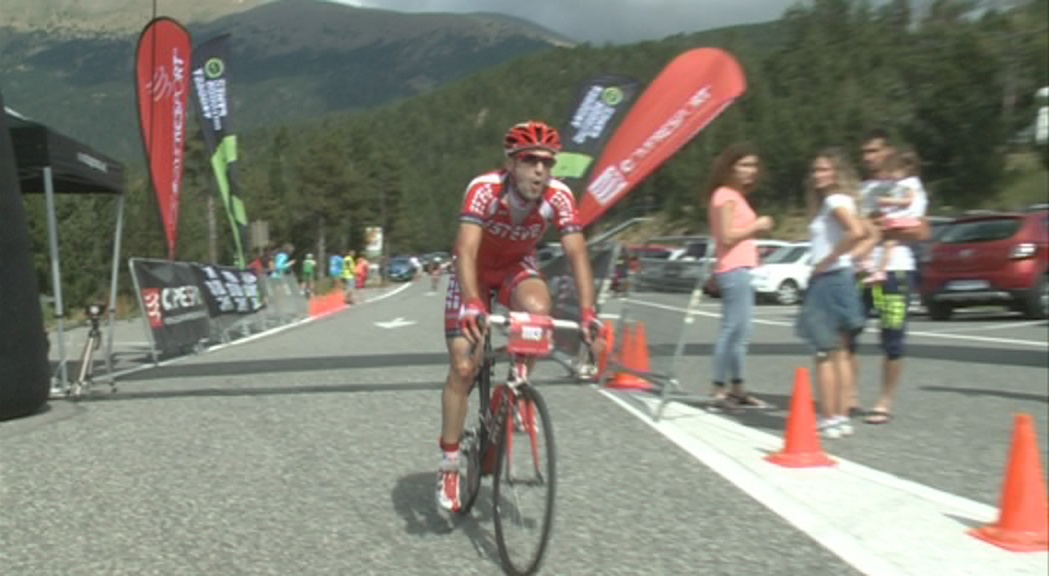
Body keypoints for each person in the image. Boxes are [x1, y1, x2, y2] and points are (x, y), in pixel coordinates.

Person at [436, 120, 604, 514]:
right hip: (473, 270)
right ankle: (448, 464)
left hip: (515, 267)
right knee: (463, 366)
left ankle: (517, 387)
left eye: (548, 162)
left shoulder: (559, 196)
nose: (540, 170)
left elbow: (577, 253)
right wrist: (475, 303)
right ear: (511, 163)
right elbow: (466, 247)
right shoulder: (484, 190)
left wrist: (589, 314)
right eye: (530, 161)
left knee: (539, 310)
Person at [850, 129, 930, 425]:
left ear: (888, 152)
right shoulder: (864, 188)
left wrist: (884, 227)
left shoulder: (909, 185)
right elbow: (858, 225)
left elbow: (921, 230)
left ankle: (884, 401)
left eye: (873, 151)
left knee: (892, 337)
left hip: (895, 269)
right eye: (864, 153)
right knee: (847, 331)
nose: (868, 158)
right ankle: (850, 395)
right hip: (862, 269)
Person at [794, 148, 867, 438]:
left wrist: (826, 261)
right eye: (815, 170)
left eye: (825, 170)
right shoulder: (843, 200)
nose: (818, 176)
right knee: (841, 352)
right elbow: (865, 233)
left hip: (829, 279)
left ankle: (828, 417)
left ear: (837, 172)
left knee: (824, 352)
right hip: (842, 277)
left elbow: (856, 231)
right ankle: (840, 417)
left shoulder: (835, 201)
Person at [705, 143, 774, 408]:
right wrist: (757, 226)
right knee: (732, 329)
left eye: (753, 166)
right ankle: (718, 387)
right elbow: (726, 236)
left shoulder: (733, 195)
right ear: (730, 167)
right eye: (744, 165)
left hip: (740, 268)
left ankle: (737, 387)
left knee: (741, 331)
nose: (750, 171)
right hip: (733, 268)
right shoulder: (725, 195)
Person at [855, 150, 926, 285]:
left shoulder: (909, 183)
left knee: (882, 239)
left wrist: (887, 201)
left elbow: (908, 204)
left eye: (893, 171)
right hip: (897, 222)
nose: (892, 175)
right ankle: (872, 266)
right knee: (886, 242)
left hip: (904, 225)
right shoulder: (891, 185)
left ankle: (875, 267)